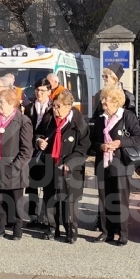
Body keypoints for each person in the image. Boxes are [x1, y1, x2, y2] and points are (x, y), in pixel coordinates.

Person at [89, 84, 140, 246]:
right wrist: (100, 146)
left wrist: (120, 143)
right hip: (103, 164)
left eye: (105, 99)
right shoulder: (99, 118)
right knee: (104, 199)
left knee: (120, 200)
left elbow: (139, 137)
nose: (103, 101)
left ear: (115, 100)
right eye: (103, 99)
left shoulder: (127, 116)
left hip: (121, 164)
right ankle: (106, 232)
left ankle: (122, 233)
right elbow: (91, 142)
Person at [0, 85, 33, 239]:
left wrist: (16, 166)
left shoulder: (23, 121)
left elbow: (27, 149)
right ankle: (0, 227)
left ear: (12, 103)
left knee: (16, 201)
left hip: (14, 167)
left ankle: (18, 228)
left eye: (2, 103)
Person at [44, 89, 90, 243]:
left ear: (69, 106)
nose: (55, 109)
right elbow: (38, 133)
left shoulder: (79, 122)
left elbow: (84, 147)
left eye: (58, 106)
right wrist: (39, 141)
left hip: (71, 167)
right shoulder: (49, 118)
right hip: (51, 163)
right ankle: (52, 227)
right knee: (50, 197)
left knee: (70, 199)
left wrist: (70, 161)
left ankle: (71, 229)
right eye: (54, 106)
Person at [24, 78, 57, 226]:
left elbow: (55, 128)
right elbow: (27, 129)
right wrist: (36, 140)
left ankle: (45, 217)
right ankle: (33, 217)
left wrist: (44, 141)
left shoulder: (53, 107)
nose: (39, 93)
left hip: (48, 149)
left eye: (43, 90)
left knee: (47, 185)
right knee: (32, 185)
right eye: (37, 90)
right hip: (32, 149)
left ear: (49, 92)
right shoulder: (29, 107)